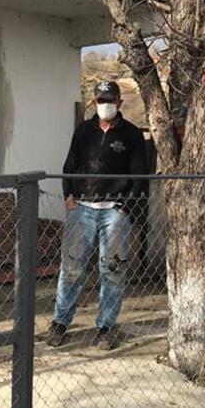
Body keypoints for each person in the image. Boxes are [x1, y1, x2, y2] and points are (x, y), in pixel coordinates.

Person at [45, 80, 148, 350]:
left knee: (113, 270)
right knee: (71, 269)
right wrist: (68, 194)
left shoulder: (131, 135)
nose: (105, 105)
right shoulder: (83, 131)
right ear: (95, 102)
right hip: (82, 208)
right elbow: (70, 164)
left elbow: (140, 175)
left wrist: (125, 206)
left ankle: (105, 327)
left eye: (110, 100)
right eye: (101, 100)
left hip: (114, 211)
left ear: (119, 102)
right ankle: (60, 322)